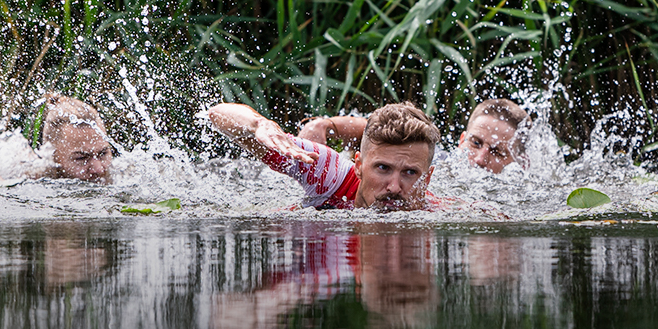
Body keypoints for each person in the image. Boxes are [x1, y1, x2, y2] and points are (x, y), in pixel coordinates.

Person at [207, 101, 445, 211]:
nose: (394, 187)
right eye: (382, 168)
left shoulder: (436, 210)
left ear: (428, 178)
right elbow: (218, 113)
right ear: (359, 165)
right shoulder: (329, 173)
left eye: (410, 173)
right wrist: (260, 124)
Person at [298, 98, 531, 174]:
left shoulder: (521, 193)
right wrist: (325, 126)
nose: (480, 159)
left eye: (497, 151)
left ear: (520, 164)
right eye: (475, 143)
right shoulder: (436, 161)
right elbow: (379, 128)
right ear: (461, 140)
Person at [0, 94, 113, 184]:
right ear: (53, 156)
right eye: (81, 158)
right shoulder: (29, 171)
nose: (98, 169)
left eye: (103, 153)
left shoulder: (120, 173)